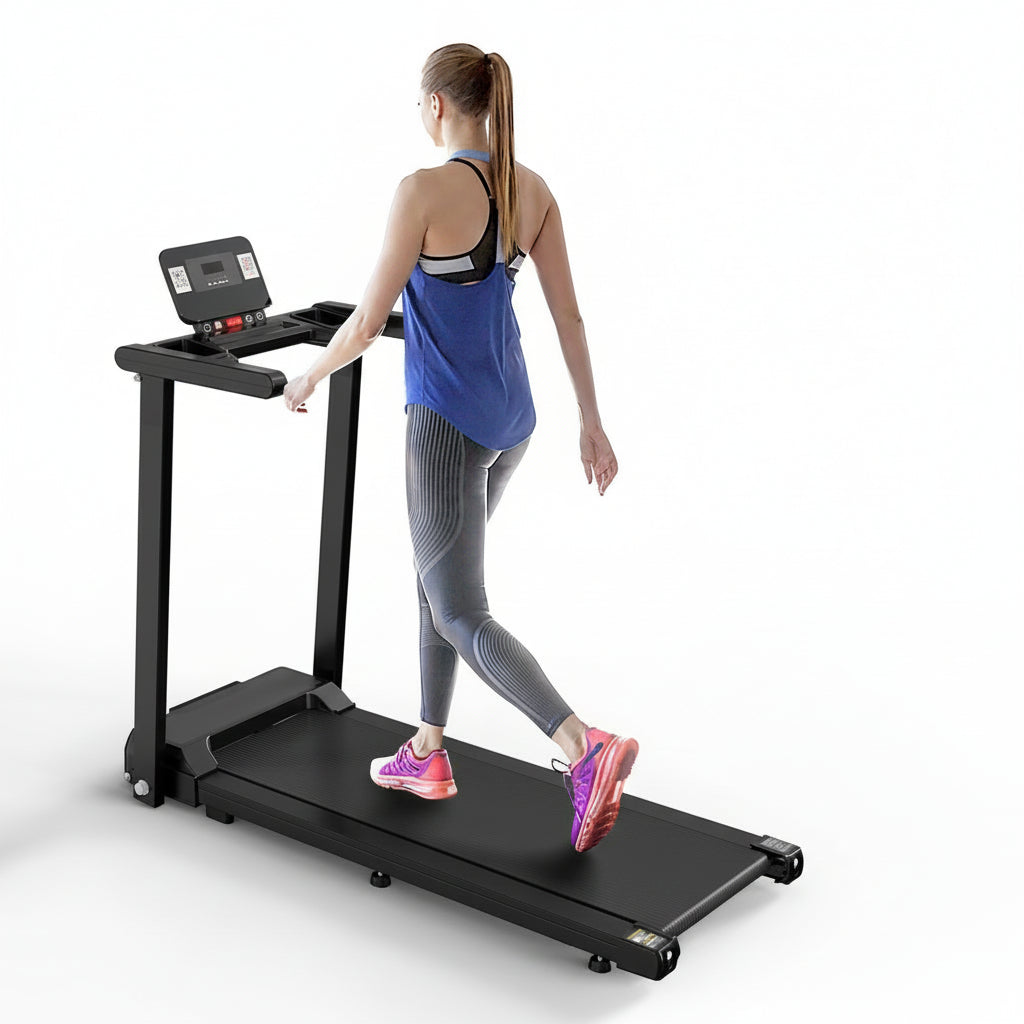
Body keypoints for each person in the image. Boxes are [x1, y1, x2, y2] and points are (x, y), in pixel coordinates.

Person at [283, 43, 638, 853]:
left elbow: (367, 324)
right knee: (434, 579)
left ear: (438, 105)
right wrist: (593, 421)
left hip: (447, 423)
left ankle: (585, 747)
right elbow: (569, 318)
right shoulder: (531, 189)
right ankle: (427, 751)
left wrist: (309, 375)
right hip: (514, 418)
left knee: (459, 607)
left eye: (419, 101)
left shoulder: (421, 189)